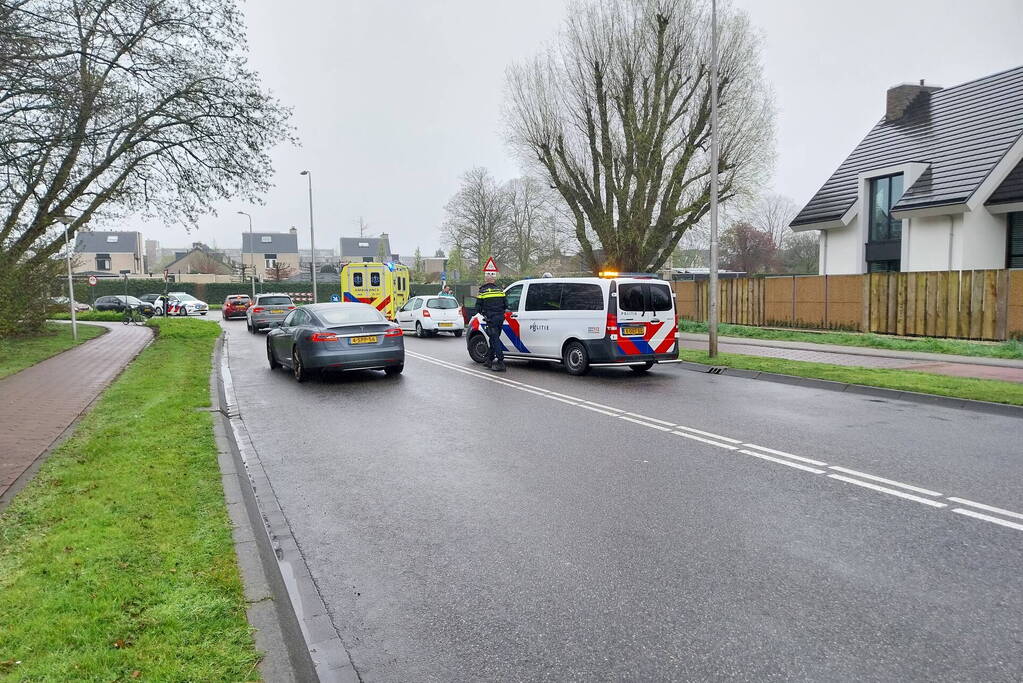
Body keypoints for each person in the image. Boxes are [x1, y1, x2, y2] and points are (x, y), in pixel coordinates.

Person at [476, 272, 507, 372]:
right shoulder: (500, 290)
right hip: (500, 318)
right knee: (494, 338)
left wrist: (484, 313)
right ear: (493, 281)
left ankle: (501, 362)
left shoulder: (482, 291)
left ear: (486, 280)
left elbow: (478, 307)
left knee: (495, 339)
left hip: (491, 319)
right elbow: (506, 304)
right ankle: (489, 360)